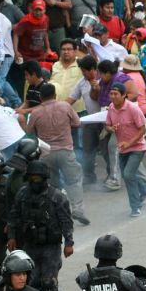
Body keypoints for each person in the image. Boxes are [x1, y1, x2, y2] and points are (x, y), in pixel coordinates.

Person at [7, 160, 75, 291]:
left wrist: (69, 243)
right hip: (30, 244)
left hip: (51, 246)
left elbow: (66, 221)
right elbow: (13, 216)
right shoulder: (23, 194)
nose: (35, 181)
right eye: (32, 177)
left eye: (38, 177)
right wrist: (11, 236)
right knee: (31, 280)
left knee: (48, 282)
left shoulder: (57, 197)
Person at [26, 83, 89, 225]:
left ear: (40, 97)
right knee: (73, 180)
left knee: (52, 185)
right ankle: (77, 209)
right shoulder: (65, 106)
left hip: (46, 154)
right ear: (55, 95)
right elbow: (77, 123)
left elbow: (29, 132)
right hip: (65, 150)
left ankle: (55, 212)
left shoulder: (36, 112)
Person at [106, 82, 146, 217]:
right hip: (123, 149)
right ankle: (145, 188)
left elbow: (143, 129)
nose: (113, 97)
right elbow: (107, 124)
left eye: (116, 94)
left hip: (137, 147)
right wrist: (110, 128)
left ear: (124, 95)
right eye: (111, 94)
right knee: (128, 175)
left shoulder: (133, 109)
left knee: (128, 175)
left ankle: (135, 207)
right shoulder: (111, 108)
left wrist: (129, 143)